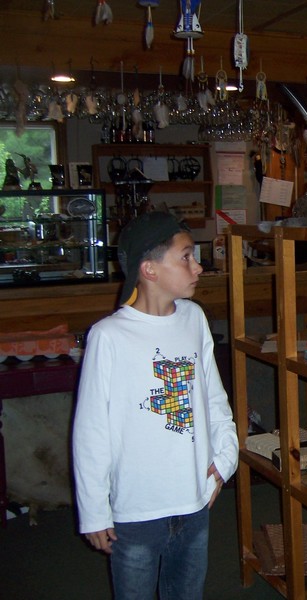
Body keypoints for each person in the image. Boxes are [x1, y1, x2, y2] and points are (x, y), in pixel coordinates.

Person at [72, 210, 238, 600]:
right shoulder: (109, 336)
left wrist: (224, 461)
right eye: (186, 257)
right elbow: (91, 429)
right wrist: (93, 509)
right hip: (137, 511)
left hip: (194, 500)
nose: (198, 267)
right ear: (149, 269)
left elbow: (214, 398)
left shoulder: (194, 318)